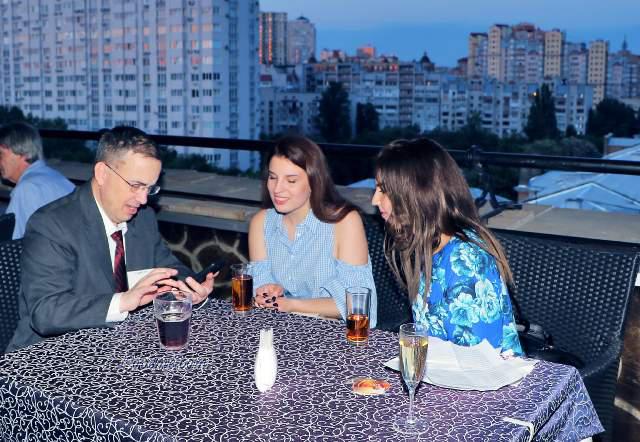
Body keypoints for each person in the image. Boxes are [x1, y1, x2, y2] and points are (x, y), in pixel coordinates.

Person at [6, 126, 215, 352]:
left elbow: (169, 268)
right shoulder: (52, 224)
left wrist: (189, 291)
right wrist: (124, 301)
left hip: (117, 349)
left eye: (149, 188)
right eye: (136, 185)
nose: (143, 199)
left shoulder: (143, 219)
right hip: (49, 356)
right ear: (102, 174)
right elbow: (46, 312)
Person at [371, 138, 522, 354]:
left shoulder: (465, 260)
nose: (374, 200)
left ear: (416, 193)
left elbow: (480, 363)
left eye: (383, 190)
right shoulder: (430, 245)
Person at [249, 136, 377, 326]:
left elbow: (361, 307)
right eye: (273, 177)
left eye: (291, 180)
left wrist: (292, 305)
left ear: (314, 182)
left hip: (333, 334)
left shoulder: (344, 222)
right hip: (279, 330)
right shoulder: (261, 223)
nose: (277, 189)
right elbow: (261, 295)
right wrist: (267, 293)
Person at [0, 122, 75, 239]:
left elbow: (10, 243)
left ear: (23, 154)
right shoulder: (55, 177)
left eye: (1, 154)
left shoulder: (26, 188)